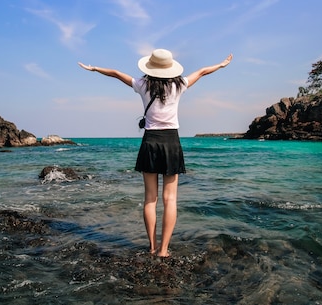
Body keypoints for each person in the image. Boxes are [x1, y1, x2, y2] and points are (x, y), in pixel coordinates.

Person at [78, 49, 232, 257]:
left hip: (150, 142)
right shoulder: (180, 85)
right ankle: (164, 250)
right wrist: (221, 65)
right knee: (170, 199)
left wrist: (94, 68)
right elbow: (203, 71)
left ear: (150, 67)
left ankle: (151, 247)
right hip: (171, 142)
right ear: (170, 68)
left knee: (150, 199)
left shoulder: (143, 85)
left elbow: (115, 73)